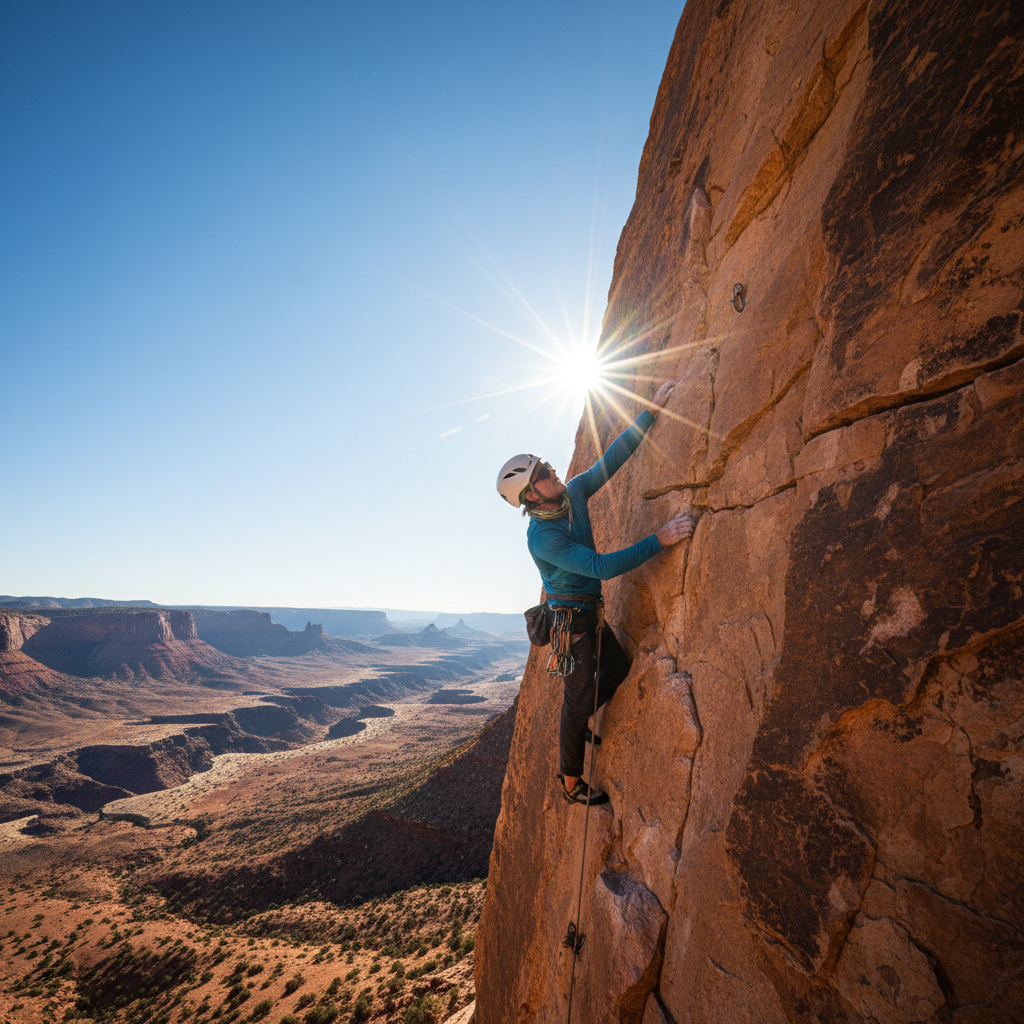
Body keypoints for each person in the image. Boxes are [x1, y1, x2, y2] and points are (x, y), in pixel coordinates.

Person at [495, 381, 694, 804]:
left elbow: (611, 460)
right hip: (574, 629)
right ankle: (570, 782)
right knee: (575, 701)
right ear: (532, 495)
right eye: (545, 474)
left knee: (617, 674)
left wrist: (651, 411)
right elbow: (600, 566)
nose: (555, 474)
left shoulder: (572, 496)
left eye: (549, 466)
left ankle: (583, 715)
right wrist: (659, 539)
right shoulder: (541, 538)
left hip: (591, 614)